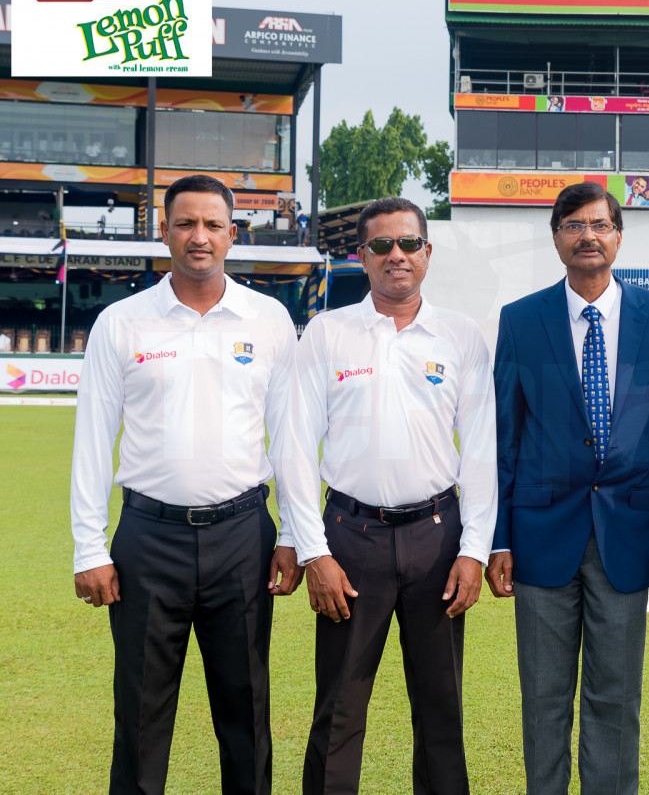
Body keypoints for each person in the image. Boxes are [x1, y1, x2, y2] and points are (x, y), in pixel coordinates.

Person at [70, 173, 301, 794]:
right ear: (164, 231)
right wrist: (89, 548)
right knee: (141, 716)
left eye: (212, 224)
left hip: (243, 536)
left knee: (246, 713)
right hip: (148, 540)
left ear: (232, 233)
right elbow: (92, 440)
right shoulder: (122, 322)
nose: (200, 236)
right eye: (186, 224)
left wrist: (295, 536)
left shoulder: (269, 318)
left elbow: (290, 438)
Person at [279, 197, 497, 794]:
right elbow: (294, 447)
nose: (396, 255)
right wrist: (313, 552)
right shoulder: (327, 333)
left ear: (427, 252)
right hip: (350, 540)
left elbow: (481, 452)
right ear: (362, 255)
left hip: (438, 537)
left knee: (441, 707)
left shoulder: (461, 336)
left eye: (408, 243)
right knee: (339, 708)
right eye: (381, 245)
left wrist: (474, 550)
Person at [488, 180, 649, 795]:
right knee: (543, 698)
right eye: (574, 225)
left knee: (616, 698)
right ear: (556, 238)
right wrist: (498, 539)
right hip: (539, 534)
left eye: (600, 225)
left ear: (619, 237)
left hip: (629, 535)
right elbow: (504, 438)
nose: (588, 236)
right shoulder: (521, 320)